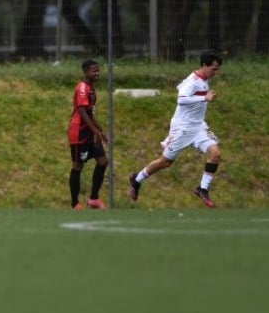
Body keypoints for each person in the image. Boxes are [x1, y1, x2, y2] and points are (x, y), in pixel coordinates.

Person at [128, 50, 223, 208]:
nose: (216, 72)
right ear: (204, 66)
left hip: (198, 126)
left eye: (217, 69)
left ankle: (202, 188)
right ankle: (136, 179)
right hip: (182, 128)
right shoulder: (192, 81)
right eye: (214, 69)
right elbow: (181, 100)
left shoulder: (203, 80)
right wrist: (204, 97)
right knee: (165, 162)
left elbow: (182, 89)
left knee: (215, 154)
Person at [67, 60, 108, 210]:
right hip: (79, 132)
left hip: (89, 132)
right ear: (86, 72)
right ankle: (75, 203)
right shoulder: (82, 88)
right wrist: (95, 131)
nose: (97, 73)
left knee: (103, 161)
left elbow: (90, 113)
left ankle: (93, 199)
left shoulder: (91, 89)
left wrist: (100, 131)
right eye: (93, 71)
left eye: (98, 70)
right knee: (78, 165)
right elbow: (82, 112)